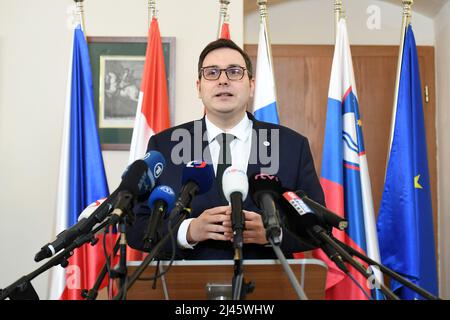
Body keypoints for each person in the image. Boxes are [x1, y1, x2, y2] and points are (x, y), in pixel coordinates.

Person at [127, 38, 325, 260]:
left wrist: (273, 232)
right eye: (212, 73)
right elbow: (137, 226)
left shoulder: (290, 146)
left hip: (270, 284)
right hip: (184, 284)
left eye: (234, 72)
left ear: (251, 86)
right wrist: (188, 231)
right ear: (199, 87)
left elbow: (318, 224)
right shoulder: (164, 145)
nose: (223, 80)